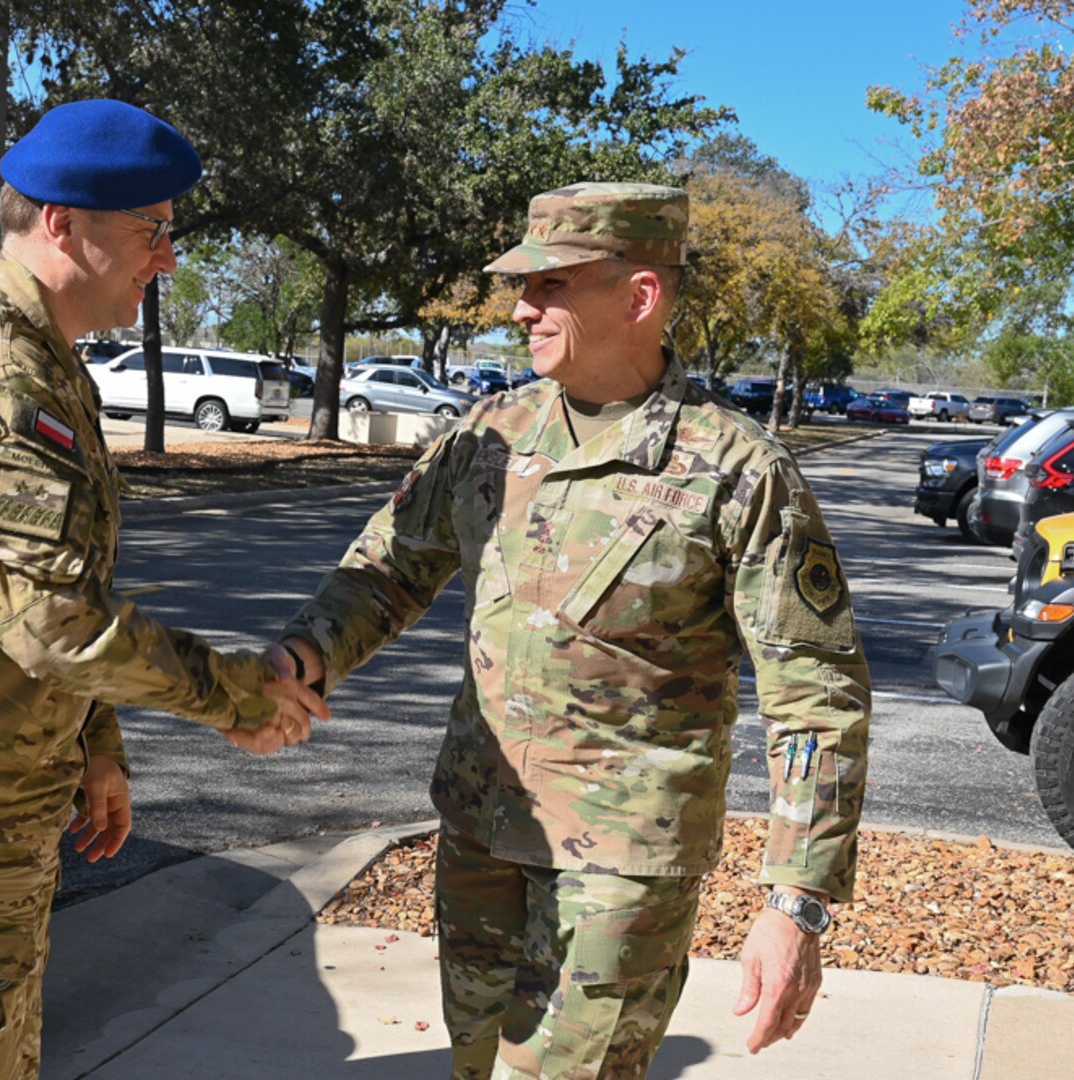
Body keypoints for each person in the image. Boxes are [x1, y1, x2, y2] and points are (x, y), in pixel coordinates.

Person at [272, 182, 871, 1080]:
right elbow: (386, 571)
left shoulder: (737, 467)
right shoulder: (487, 436)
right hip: (481, 829)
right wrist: (302, 657)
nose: (521, 308)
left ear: (640, 298)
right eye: (523, 286)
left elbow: (816, 698)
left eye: (551, 286)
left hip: (623, 868)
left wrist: (797, 903)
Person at [0, 98, 325, 1080]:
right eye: (149, 229)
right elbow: (51, 623)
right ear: (61, 225)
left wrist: (97, 745)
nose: (166, 257)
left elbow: (39, 595)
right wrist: (236, 698)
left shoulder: (43, 366)